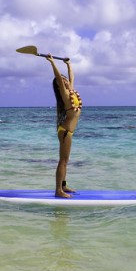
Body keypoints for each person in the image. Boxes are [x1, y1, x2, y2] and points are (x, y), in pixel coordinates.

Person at [46, 54, 82, 198]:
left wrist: (68, 64)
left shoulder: (71, 91)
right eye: (64, 80)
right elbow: (59, 79)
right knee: (63, 161)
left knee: (66, 161)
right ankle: (58, 191)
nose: (66, 81)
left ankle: (63, 186)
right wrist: (52, 62)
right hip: (65, 131)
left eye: (66, 80)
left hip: (68, 131)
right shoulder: (65, 94)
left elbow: (71, 76)